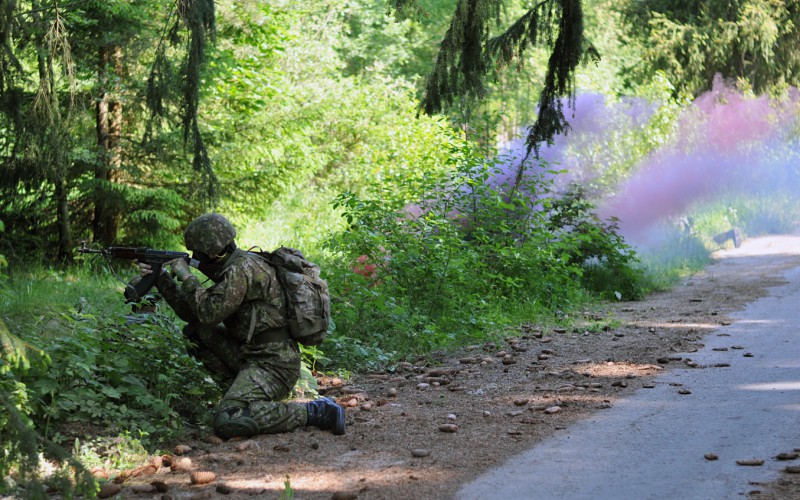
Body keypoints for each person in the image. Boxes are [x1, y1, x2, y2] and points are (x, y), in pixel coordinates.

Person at [138, 213, 345, 438]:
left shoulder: (242, 269)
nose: (194, 257)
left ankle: (316, 411)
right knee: (197, 333)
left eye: (196, 253)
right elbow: (194, 314)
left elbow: (209, 313)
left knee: (229, 419)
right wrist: (161, 278)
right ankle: (237, 393)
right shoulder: (238, 266)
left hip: (273, 364)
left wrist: (187, 276)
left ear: (212, 252)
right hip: (253, 356)